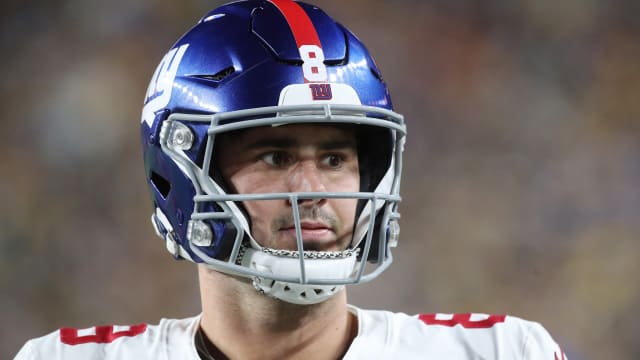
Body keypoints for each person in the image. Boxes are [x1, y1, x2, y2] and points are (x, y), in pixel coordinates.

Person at [15, 0, 568, 359]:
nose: (314, 188)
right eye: (275, 156)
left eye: (334, 158)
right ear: (182, 174)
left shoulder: (501, 351)